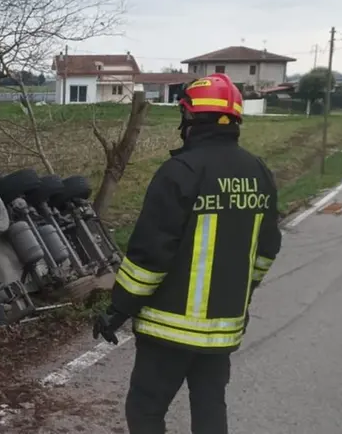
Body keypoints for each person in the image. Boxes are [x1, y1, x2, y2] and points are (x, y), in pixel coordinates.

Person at [93, 73, 283, 434]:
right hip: (224, 329)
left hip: (168, 328)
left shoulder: (180, 172)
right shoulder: (259, 172)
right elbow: (266, 250)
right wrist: (242, 295)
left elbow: (149, 257)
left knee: (145, 411)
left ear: (190, 118)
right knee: (210, 408)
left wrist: (119, 308)